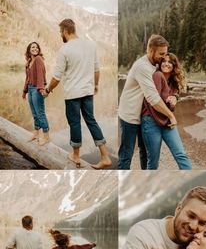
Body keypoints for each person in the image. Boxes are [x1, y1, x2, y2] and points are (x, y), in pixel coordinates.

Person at [43, 19, 111, 169]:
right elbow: (96, 69)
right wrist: (97, 85)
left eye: (61, 32)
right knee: (91, 121)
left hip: (73, 94)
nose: (61, 34)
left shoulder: (65, 49)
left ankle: (76, 156)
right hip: (87, 91)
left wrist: (47, 90)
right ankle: (105, 156)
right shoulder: (90, 45)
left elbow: (57, 77)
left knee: (74, 123)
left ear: (66, 31)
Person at [118, 34, 177, 170]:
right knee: (126, 154)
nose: (164, 57)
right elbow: (154, 99)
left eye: (166, 53)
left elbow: (168, 85)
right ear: (150, 51)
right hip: (130, 116)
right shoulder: (142, 67)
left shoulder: (155, 65)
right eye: (161, 54)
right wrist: (171, 115)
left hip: (143, 116)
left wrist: (175, 96)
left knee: (144, 152)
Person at [141, 53, 192, 169]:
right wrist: (168, 116)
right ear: (160, 63)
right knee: (153, 162)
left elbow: (171, 107)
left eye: (170, 62)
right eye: (164, 61)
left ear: (174, 66)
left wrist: (174, 100)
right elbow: (152, 103)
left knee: (181, 155)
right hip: (150, 121)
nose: (166, 64)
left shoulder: (173, 83)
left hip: (167, 122)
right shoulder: (157, 76)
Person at [22, 42, 50, 145]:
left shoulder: (38, 59)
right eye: (33, 47)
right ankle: (36, 133)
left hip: (37, 89)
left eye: (37, 47)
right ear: (29, 50)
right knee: (34, 114)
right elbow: (27, 78)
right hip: (30, 89)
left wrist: (41, 89)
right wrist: (24, 91)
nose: (35, 49)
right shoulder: (29, 62)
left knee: (40, 113)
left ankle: (46, 136)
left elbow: (41, 74)